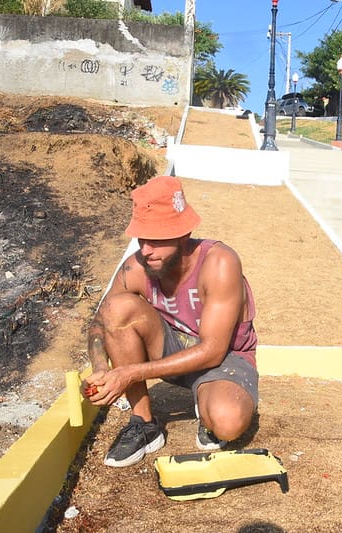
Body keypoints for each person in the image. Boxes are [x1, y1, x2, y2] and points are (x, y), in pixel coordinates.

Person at [83, 175, 259, 468]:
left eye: (156, 238)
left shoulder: (219, 263)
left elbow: (213, 350)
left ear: (183, 234)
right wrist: (101, 369)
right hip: (172, 347)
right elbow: (100, 324)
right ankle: (144, 424)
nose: (147, 249)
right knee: (116, 308)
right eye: (142, 238)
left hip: (224, 357)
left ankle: (209, 403)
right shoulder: (136, 266)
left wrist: (129, 374)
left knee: (226, 422)